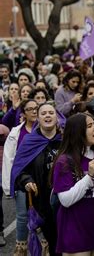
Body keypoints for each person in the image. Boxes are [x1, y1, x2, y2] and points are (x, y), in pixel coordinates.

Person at [52, 113, 94, 255]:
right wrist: (89, 177)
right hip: (75, 229)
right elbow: (65, 200)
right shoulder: (64, 161)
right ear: (77, 131)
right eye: (89, 126)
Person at [11, 103, 62, 255]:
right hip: (43, 202)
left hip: (66, 200)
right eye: (43, 113)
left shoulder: (65, 140)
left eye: (51, 113)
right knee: (53, 242)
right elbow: (20, 169)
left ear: (57, 117)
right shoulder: (29, 141)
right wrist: (27, 181)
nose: (47, 115)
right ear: (38, 118)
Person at [2, 100, 38, 255]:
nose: (34, 112)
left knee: (41, 215)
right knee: (22, 216)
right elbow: (9, 159)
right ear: (23, 113)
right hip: (21, 179)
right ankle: (21, 249)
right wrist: (8, 186)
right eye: (29, 109)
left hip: (40, 179)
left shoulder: (44, 129)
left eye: (36, 108)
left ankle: (43, 248)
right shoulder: (16, 132)